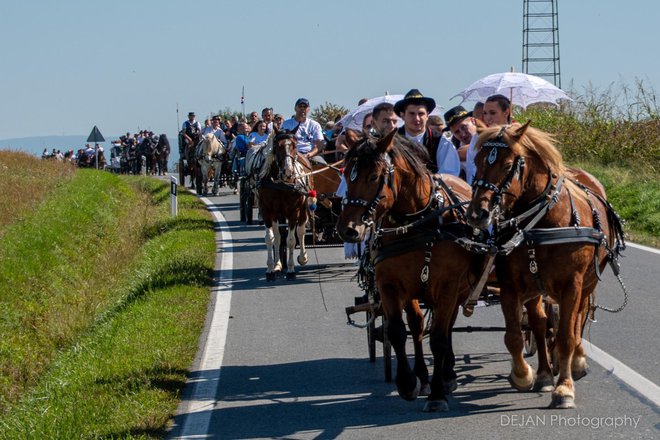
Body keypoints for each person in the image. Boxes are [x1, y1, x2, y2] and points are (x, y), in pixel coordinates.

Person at [394, 89, 460, 176]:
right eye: (412, 113)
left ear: (427, 115)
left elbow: (449, 174)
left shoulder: (441, 142)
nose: (417, 118)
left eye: (421, 114)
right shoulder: (393, 141)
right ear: (402, 116)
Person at [281, 98, 325, 163]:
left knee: (323, 165)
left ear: (308, 109)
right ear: (295, 108)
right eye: (300, 106)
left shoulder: (315, 125)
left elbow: (320, 144)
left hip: (310, 155)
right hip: (292, 154)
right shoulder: (287, 124)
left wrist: (310, 154)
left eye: (305, 107)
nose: (302, 109)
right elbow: (283, 142)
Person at [444, 105, 479, 184]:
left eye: (464, 127)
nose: (463, 134)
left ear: (473, 121)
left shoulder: (489, 138)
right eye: (457, 132)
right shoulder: (453, 148)